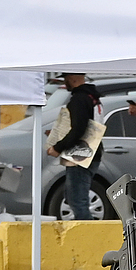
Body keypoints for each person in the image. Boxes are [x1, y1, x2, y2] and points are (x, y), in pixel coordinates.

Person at [45, 72, 103, 220]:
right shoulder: (93, 97)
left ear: (74, 77)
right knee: (73, 197)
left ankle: (87, 235)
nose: (65, 82)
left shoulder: (79, 99)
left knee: (77, 200)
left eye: (66, 78)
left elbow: (78, 129)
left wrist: (58, 147)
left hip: (80, 156)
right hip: (93, 151)